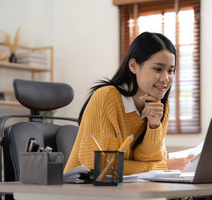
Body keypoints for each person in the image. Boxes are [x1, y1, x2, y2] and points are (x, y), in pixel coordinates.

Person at [64, 32, 194, 175]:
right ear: (133, 66)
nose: (165, 78)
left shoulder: (161, 105)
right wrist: (163, 167)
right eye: (158, 69)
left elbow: (151, 158)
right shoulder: (107, 97)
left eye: (171, 71)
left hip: (129, 190)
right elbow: (100, 165)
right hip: (84, 191)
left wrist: (154, 125)